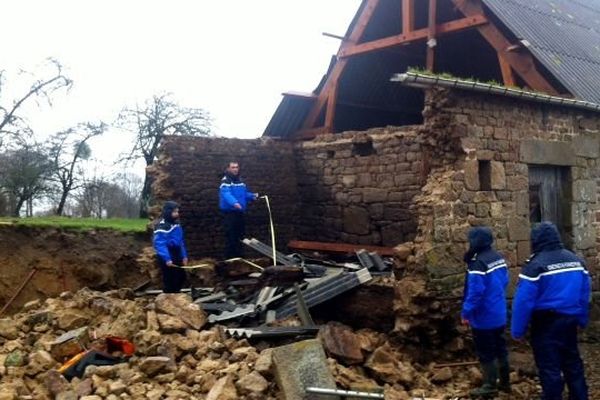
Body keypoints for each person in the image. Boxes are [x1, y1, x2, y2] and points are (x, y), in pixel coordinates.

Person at [511, 222, 590, 400]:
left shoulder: (535, 266)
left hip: (546, 324)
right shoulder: (577, 261)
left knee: (549, 366)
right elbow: (584, 295)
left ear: (536, 240)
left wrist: (518, 330)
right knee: (573, 364)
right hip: (570, 320)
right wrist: (582, 319)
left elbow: (523, 302)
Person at [461, 226, 510, 397]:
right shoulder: (498, 258)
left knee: (485, 351)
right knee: (501, 348)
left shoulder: (478, 263)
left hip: (483, 317)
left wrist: (466, 313)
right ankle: (505, 382)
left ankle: (489, 385)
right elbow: (505, 281)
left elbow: (475, 293)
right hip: (499, 312)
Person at [219, 161, 258, 259]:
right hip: (230, 213)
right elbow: (226, 194)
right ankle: (230, 258)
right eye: (233, 167)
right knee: (231, 235)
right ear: (228, 168)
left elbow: (244, 194)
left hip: (240, 212)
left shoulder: (240, 181)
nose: (235, 169)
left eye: (236, 167)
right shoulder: (225, 181)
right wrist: (235, 203)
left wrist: (252, 196)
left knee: (240, 235)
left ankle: (239, 257)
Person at [153, 201, 188, 293]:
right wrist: (167, 259)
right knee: (170, 278)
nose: (177, 214)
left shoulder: (176, 224)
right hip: (167, 253)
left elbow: (181, 242)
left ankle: (176, 293)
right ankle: (168, 295)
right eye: (174, 212)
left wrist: (184, 256)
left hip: (177, 253)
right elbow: (160, 244)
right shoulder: (162, 226)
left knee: (181, 276)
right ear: (168, 212)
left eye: (177, 211)